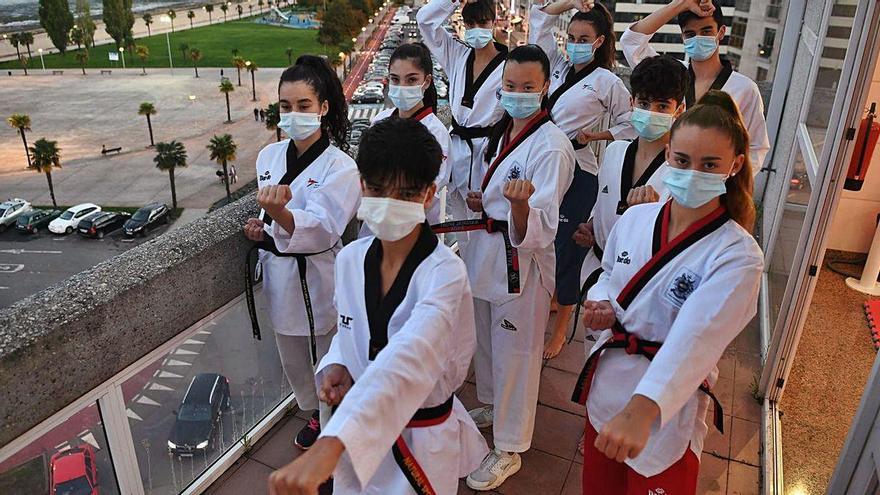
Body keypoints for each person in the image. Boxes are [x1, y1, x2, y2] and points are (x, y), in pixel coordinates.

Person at [267, 117, 488, 495]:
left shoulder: (445, 273)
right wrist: (337, 361)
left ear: (429, 195)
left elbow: (411, 355)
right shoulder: (351, 258)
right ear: (362, 187)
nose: (389, 204)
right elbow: (349, 326)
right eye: (378, 189)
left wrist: (334, 442)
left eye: (405, 194)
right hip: (355, 436)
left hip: (419, 442)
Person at [573, 90, 763, 494]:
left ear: (735, 165)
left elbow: (698, 338)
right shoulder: (637, 218)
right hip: (609, 386)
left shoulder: (738, 254)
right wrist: (604, 301)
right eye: (681, 160)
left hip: (664, 409)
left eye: (709, 164)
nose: (692, 172)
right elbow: (609, 272)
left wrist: (644, 409)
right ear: (668, 157)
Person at [432, 45, 575, 491]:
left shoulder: (552, 147)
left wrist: (517, 208)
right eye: (509, 86)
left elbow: (543, 224)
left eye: (527, 87)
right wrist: (487, 200)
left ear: (546, 87)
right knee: (488, 342)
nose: (517, 94)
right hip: (487, 252)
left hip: (520, 263)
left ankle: (510, 446)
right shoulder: (506, 131)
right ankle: (494, 407)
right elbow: (500, 190)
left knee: (517, 354)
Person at [244, 55, 361, 452]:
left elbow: (326, 227)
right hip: (280, 276)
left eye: (303, 105)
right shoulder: (269, 157)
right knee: (292, 358)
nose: (293, 114)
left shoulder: (341, 167)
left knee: (328, 355)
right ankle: (312, 410)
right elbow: (269, 214)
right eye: (285, 106)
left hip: (319, 276)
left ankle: (334, 419)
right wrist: (264, 227)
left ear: (324, 108)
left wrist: (281, 215)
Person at [528, 0, 636, 359]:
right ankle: (537, 311)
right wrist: (572, 3)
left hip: (578, 171)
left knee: (567, 251)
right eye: (571, 36)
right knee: (536, 239)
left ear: (600, 41)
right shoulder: (555, 67)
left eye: (583, 38)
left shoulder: (607, 81)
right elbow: (540, 20)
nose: (574, 43)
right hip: (543, 163)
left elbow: (631, 123)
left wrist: (595, 137)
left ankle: (560, 331)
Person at [573, 54, 689, 349]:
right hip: (598, 273)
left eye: (662, 106)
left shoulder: (683, 174)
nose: (651, 112)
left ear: (680, 110)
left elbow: (682, 243)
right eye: (644, 103)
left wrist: (649, 215)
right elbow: (604, 204)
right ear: (631, 103)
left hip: (645, 287)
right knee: (593, 359)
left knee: (627, 369)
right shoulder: (614, 152)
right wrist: (592, 226)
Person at [619, 0, 770, 171]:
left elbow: (756, 148)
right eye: (690, 34)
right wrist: (681, 3)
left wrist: (725, 184)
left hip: (710, 180)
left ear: (720, 32)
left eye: (706, 31)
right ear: (682, 37)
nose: (698, 38)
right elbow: (631, 41)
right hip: (659, 172)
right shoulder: (670, 73)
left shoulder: (744, 89)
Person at [417, 0, 507, 239]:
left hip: (490, 149)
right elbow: (425, 20)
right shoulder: (457, 53)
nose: (476, 28)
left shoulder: (510, 63)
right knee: (461, 226)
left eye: (482, 22)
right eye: (470, 24)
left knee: (488, 227)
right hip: (457, 148)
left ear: (494, 22)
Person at [369, 42, 452, 225]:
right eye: (395, 79)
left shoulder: (436, 133)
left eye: (412, 80)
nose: (402, 86)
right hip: (376, 222)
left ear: (427, 81)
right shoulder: (379, 121)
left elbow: (433, 183)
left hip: (417, 224)